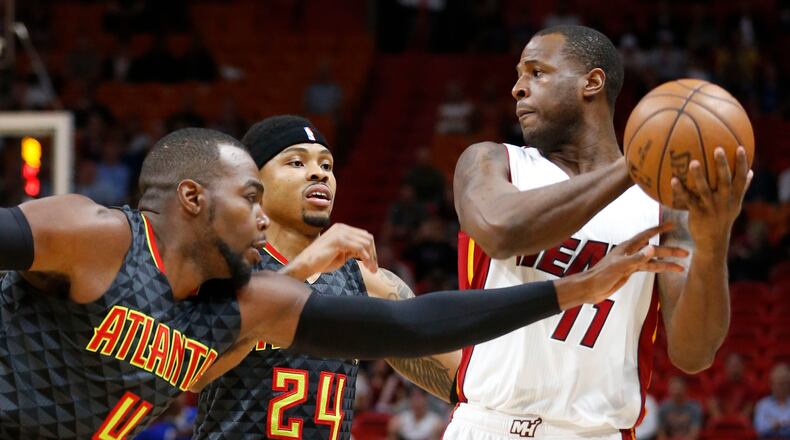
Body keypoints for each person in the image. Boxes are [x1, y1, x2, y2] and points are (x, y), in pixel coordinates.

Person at [0, 127, 681, 438]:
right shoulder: (93, 237)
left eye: (328, 162)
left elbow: (415, 330)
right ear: (194, 198)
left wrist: (571, 292)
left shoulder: (259, 302)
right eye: (254, 193)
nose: (320, 175)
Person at [446, 25, 752, 439]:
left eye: (536, 72)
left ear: (592, 82)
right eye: (518, 75)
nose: (517, 89)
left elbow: (694, 353)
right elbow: (503, 231)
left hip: (598, 431)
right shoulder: (491, 162)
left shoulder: (663, 208)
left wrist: (715, 239)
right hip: (490, 424)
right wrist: (639, 160)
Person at [192, 116, 459, 438]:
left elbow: (460, 375)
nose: (319, 173)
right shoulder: (221, 266)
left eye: (327, 165)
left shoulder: (368, 280)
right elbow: (194, 373)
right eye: (296, 162)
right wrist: (301, 270)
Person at [754, 363, 790, 438]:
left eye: (784, 383)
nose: (781, 387)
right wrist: (773, 426)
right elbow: (759, 429)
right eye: (778, 383)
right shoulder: (762, 405)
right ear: (771, 384)